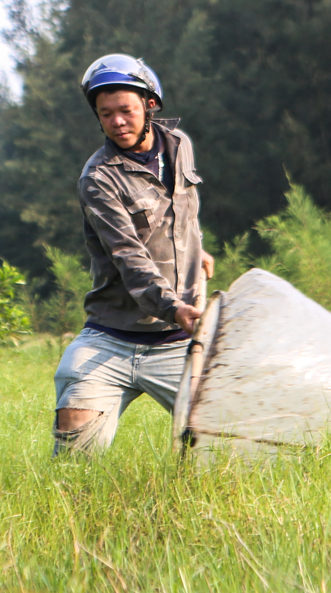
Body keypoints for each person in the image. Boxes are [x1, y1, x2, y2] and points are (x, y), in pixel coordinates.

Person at [51, 53, 214, 455]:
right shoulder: (98, 178)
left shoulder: (180, 146)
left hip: (180, 343)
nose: (118, 122)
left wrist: (197, 248)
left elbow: (181, 212)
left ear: (150, 105)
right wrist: (175, 307)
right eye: (106, 114)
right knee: (74, 462)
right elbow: (128, 256)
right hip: (110, 341)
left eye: (126, 110)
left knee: (221, 449)